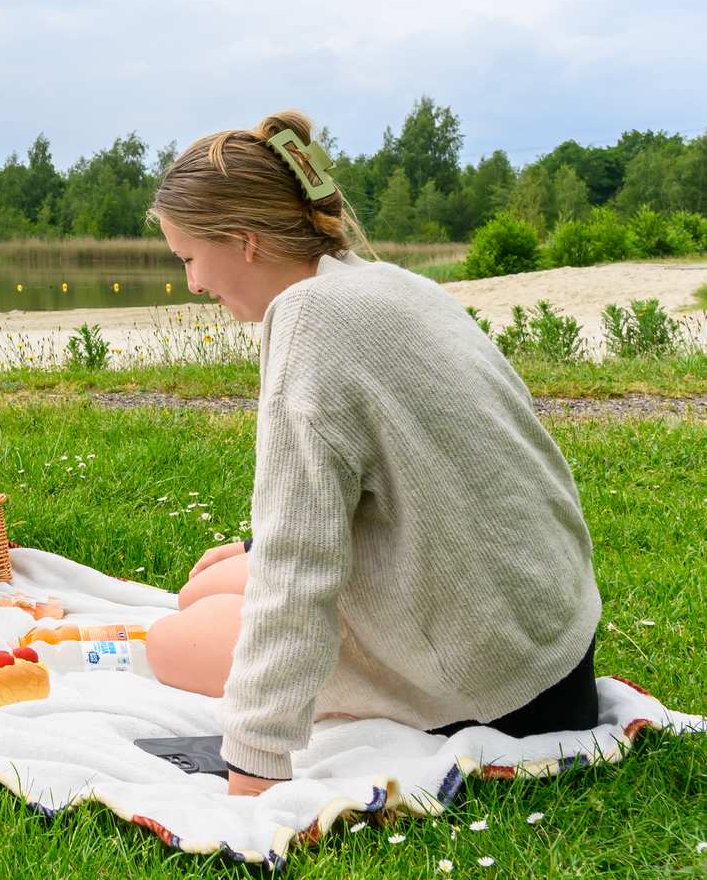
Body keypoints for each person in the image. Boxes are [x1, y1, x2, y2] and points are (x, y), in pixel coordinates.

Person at [142, 113, 602, 797]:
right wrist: (251, 549)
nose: (192, 285)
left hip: (494, 685)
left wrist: (254, 766)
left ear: (242, 242)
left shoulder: (308, 320)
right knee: (212, 575)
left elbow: (298, 569)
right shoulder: (388, 283)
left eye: (187, 258)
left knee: (170, 638)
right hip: (551, 646)